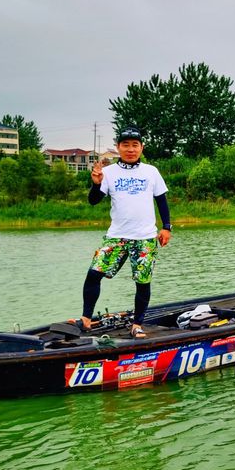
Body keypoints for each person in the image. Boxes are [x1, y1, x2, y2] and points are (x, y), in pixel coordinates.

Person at [74, 126, 172, 339]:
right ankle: (86, 320)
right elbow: (93, 201)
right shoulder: (108, 173)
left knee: (142, 281)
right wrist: (96, 184)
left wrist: (166, 227)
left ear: (141, 147)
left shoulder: (151, 171)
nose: (130, 149)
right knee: (94, 274)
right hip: (117, 236)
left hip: (145, 237)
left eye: (134, 145)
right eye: (125, 145)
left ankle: (137, 324)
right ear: (118, 147)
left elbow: (161, 200)